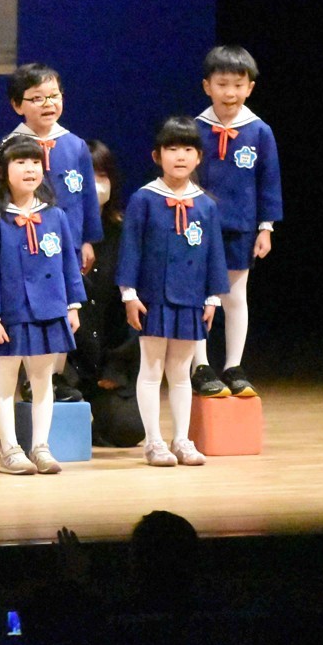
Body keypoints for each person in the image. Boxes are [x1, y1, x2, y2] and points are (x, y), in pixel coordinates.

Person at [118, 117, 230, 467]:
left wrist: (212, 298)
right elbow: (130, 249)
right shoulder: (144, 199)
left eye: (187, 149)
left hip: (191, 299)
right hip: (153, 299)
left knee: (181, 374)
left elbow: (214, 254)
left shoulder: (206, 205)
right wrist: (129, 294)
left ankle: (181, 439)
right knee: (151, 370)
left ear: (199, 157)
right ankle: (154, 442)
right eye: (171, 149)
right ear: (157, 155)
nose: (180, 156)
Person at [0, 135, 85, 475]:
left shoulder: (56, 216)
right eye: (20, 162)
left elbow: (69, 263)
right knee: (7, 381)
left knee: (42, 381)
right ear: (2, 171)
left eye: (35, 162)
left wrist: (73, 305)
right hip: (13, 313)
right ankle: (10, 449)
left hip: (50, 309)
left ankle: (40, 446)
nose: (29, 169)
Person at [6, 63, 102, 404]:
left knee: (63, 311)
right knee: (30, 311)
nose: (47, 104)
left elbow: (87, 197)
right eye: (36, 98)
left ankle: (55, 375)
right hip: (27, 244)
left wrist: (87, 239)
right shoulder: (11, 146)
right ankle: (29, 377)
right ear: (17, 105)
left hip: (68, 244)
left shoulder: (75, 145)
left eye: (54, 96)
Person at [192, 45, 282, 398]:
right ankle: (201, 366)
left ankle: (233, 366)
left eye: (238, 85)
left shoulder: (259, 131)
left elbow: (268, 182)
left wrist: (266, 227)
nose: (230, 92)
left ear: (250, 88)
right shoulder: (195, 128)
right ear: (207, 86)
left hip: (240, 226)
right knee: (198, 296)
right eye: (222, 84)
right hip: (198, 228)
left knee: (234, 297)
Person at [75, 141, 144, 447]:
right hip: (68, 360)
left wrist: (117, 366)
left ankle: (98, 423)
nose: (95, 185)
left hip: (107, 360)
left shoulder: (125, 231)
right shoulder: (54, 229)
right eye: (86, 177)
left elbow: (135, 303)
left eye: (102, 176)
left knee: (128, 430)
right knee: (57, 429)